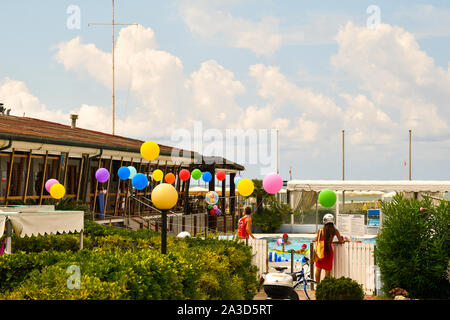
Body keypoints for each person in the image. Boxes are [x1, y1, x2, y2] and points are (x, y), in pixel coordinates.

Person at [314, 214, 344, 284]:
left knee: (318, 269)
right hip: (329, 252)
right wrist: (340, 241)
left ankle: (317, 285)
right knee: (327, 271)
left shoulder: (321, 230)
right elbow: (340, 241)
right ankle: (325, 287)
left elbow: (317, 240)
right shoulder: (335, 231)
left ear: (324, 221)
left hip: (320, 252)